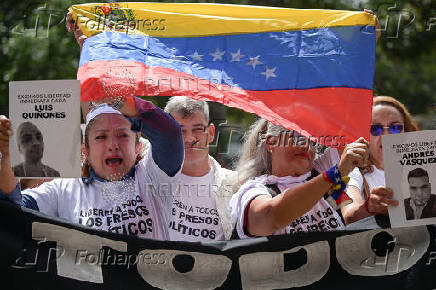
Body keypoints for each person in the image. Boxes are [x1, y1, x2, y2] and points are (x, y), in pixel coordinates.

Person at [0, 96, 184, 240]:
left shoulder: (153, 176)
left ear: (138, 147)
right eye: (101, 137)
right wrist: (6, 157)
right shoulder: (64, 190)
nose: (113, 145)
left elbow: (170, 133)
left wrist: (118, 100)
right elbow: (13, 208)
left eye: (122, 135)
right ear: (85, 150)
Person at [229, 119, 368, 238]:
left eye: (312, 140)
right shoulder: (253, 190)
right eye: (296, 136)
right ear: (271, 142)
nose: (306, 145)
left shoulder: (319, 171)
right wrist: (336, 174)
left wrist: (372, 208)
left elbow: (352, 129)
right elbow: (269, 216)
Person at [163, 96, 237, 241]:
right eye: (180, 131)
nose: (189, 138)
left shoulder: (236, 184)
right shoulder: (149, 175)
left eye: (197, 129)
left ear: (210, 133)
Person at [341, 96, 418, 228]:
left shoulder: (426, 168)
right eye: (375, 129)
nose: (386, 135)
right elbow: (349, 215)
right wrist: (369, 207)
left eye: (395, 128)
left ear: (407, 131)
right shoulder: (353, 171)